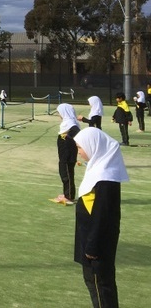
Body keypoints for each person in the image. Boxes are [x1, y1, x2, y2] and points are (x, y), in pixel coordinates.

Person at [73, 126, 129, 308]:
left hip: (97, 246)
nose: (79, 152)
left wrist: (92, 247)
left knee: (101, 287)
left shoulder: (106, 178)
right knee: (93, 283)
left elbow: (103, 217)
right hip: (90, 240)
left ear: (93, 146)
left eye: (80, 148)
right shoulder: (97, 170)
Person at [55, 103, 81, 204]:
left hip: (67, 154)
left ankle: (69, 196)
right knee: (66, 173)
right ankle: (67, 194)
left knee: (66, 173)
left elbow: (77, 133)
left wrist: (70, 138)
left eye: (59, 113)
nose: (59, 115)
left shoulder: (71, 123)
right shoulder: (67, 123)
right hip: (65, 154)